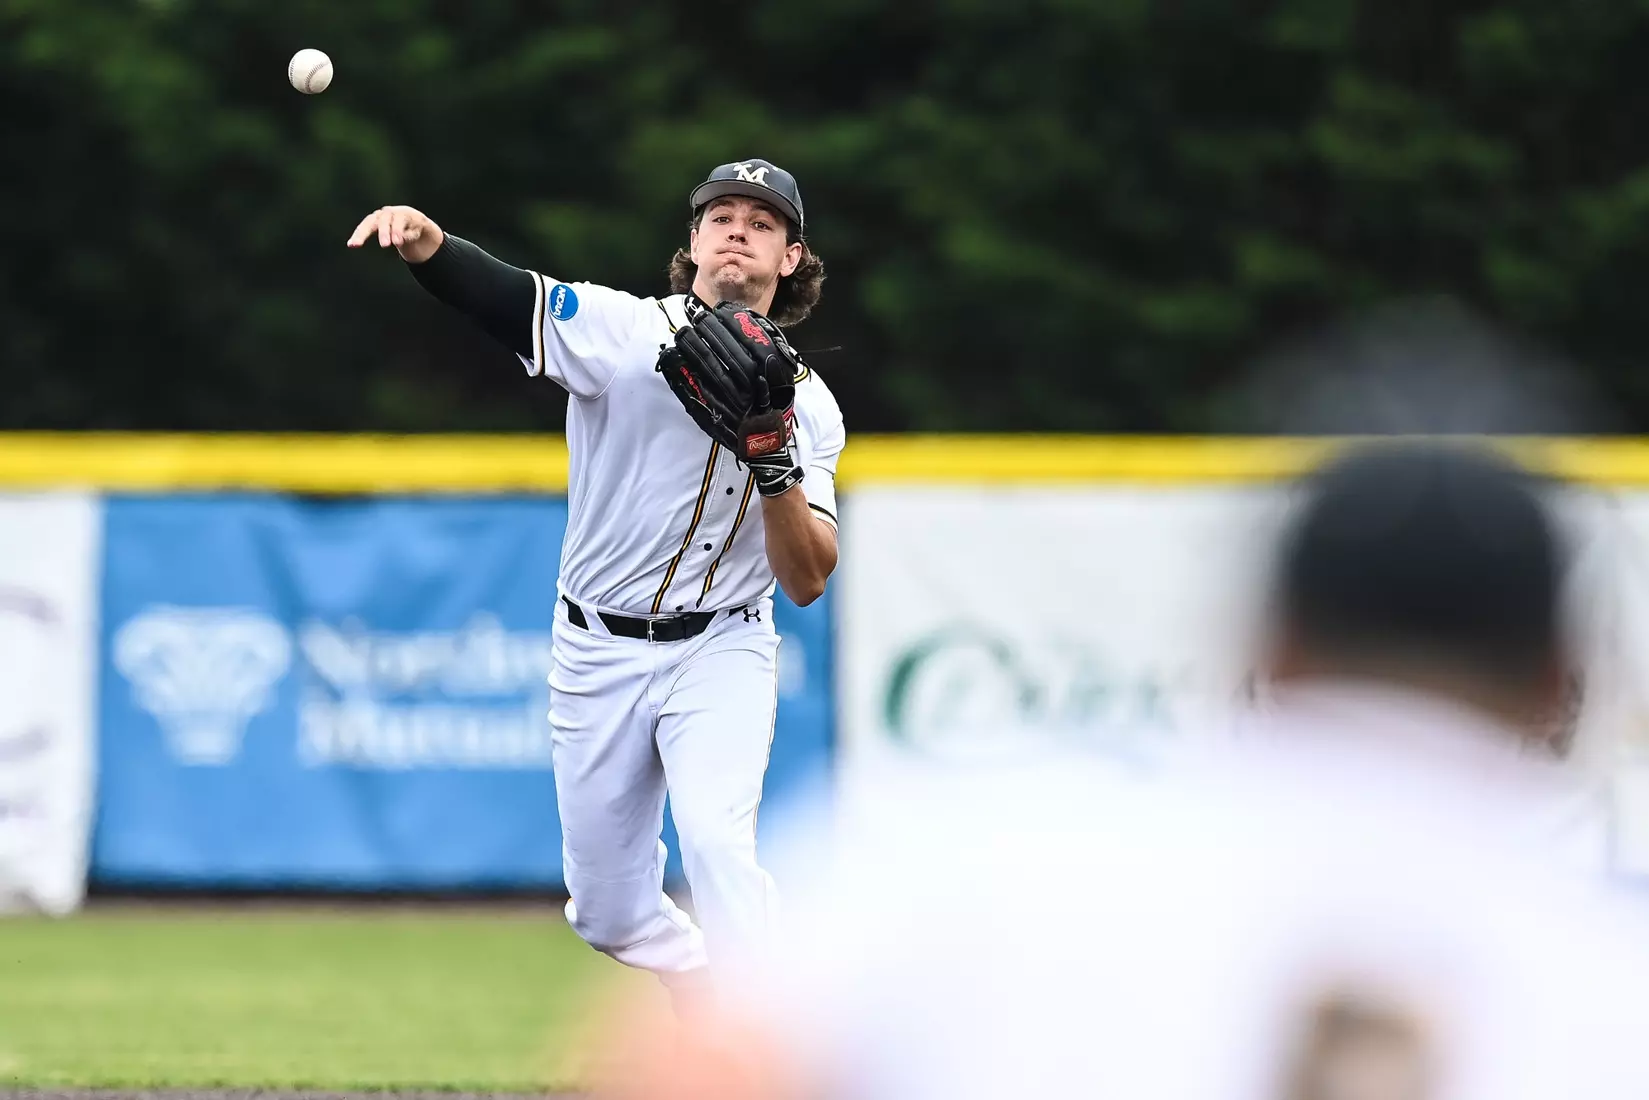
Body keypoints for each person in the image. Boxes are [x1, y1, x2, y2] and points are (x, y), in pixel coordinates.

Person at [598, 441, 1649, 1099]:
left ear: (1268, 645)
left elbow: (691, 1073)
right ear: (1558, 678)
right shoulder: (1614, 961)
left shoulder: (973, 859)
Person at [346, 159, 845, 997]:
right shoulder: (622, 331)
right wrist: (429, 246)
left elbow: (806, 579)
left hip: (721, 646)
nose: (736, 230)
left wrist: (772, 459)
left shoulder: (811, 407)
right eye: (719, 215)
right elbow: (509, 298)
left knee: (720, 850)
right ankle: (704, 991)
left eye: (760, 223)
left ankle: (772, 1048)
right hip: (596, 648)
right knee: (607, 914)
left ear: (790, 259)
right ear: (690, 243)